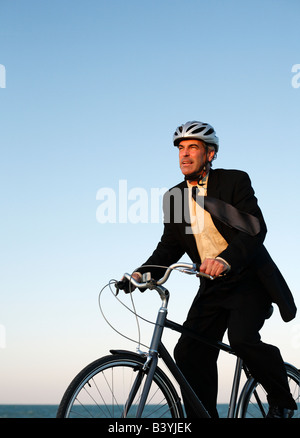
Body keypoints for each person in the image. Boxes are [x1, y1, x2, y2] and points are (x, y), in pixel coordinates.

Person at [125, 120, 297, 418]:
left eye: (193, 148)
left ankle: (282, 400)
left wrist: (225, 259)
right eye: (181, 148)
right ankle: (203, 416)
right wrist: (141, 274)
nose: (185, 155)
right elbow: (169, 246)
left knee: (241, 339)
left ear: (211, 154)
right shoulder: (174, 197)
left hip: (248, 281)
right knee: (188, 352)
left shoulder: (234, 181)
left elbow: (254, 228)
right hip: (212, 287)